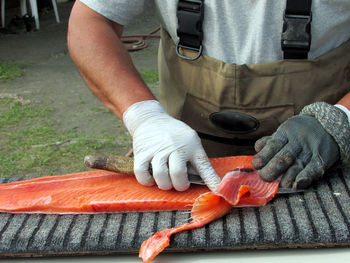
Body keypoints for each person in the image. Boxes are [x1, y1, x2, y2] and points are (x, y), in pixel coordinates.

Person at [67, 0, 350, 192]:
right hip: (182, 156)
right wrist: (144, 116)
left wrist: (341, 119)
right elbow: (90, 21)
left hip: (326, 156)